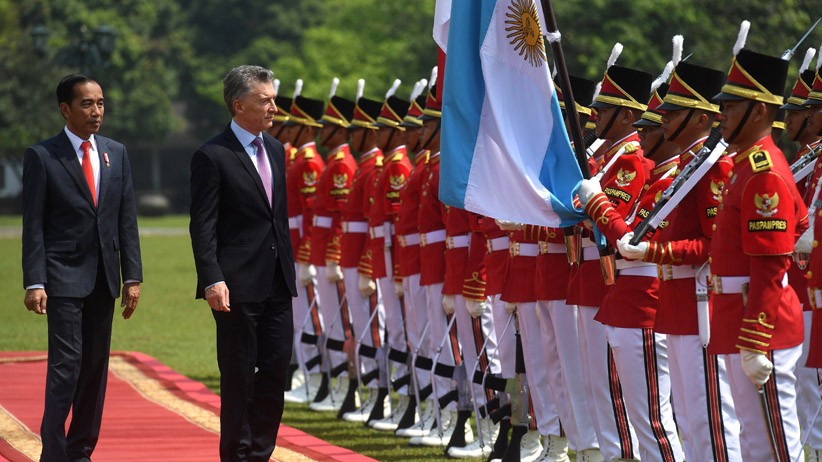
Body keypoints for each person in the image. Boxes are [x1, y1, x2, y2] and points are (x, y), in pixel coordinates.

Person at [22, 73, 142, 462]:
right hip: (62, 278)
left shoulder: (116, 152)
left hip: (105, 278)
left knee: (94, 369)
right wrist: (35, 281)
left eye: (101, 103)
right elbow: (34, 225)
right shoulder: (42, 156)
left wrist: (133, 276)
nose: (96, 111)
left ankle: (81, 451)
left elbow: (127, 219)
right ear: (65, 109)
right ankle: (53, 454)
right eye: (87, 104)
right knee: (65, 368)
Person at [189, 64, 297, 462]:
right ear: (238, 105)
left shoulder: (276, 149)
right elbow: (202, 226)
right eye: (264, 100)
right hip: (234, 286)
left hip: (277, 282)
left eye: (273, 98)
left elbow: (276, 219)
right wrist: (211, 279)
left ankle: (260, 455)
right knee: (239, 380)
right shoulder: (212, 155)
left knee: (274, 375)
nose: (274, 107)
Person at [709, 46, 806, 462]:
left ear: (761, 111)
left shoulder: (763, 173)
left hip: (759, 323)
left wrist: (756, 338)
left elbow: (770, 264)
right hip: (739, 313)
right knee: (753, 440)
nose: (722, 116)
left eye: (732, 107)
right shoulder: (747, 166)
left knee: (777, 445)